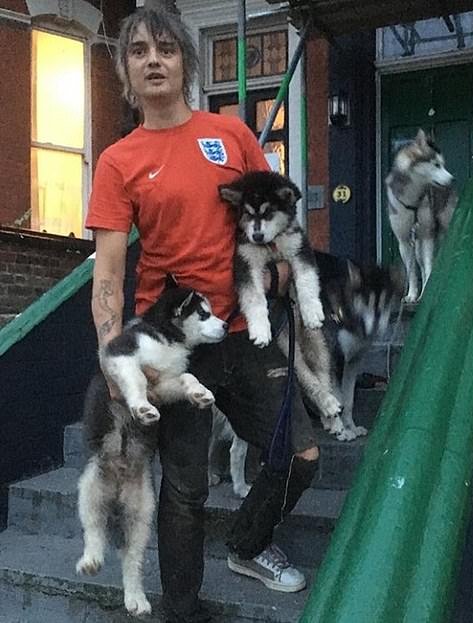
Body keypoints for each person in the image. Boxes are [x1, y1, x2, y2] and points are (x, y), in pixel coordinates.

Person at [86, 8, 319, 623]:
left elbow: (276, 211)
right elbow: (108, 273)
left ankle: (247, 545)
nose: (153, 59)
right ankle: (181, 610)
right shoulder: (119, 162)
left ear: (186, 61)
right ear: (126, 71)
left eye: (165, 48)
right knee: (185, 490)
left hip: (248, 330)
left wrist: (284, 265)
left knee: (301, 457)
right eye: (138, 52)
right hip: (172, 347)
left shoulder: (232, 135)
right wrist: (115, 357)